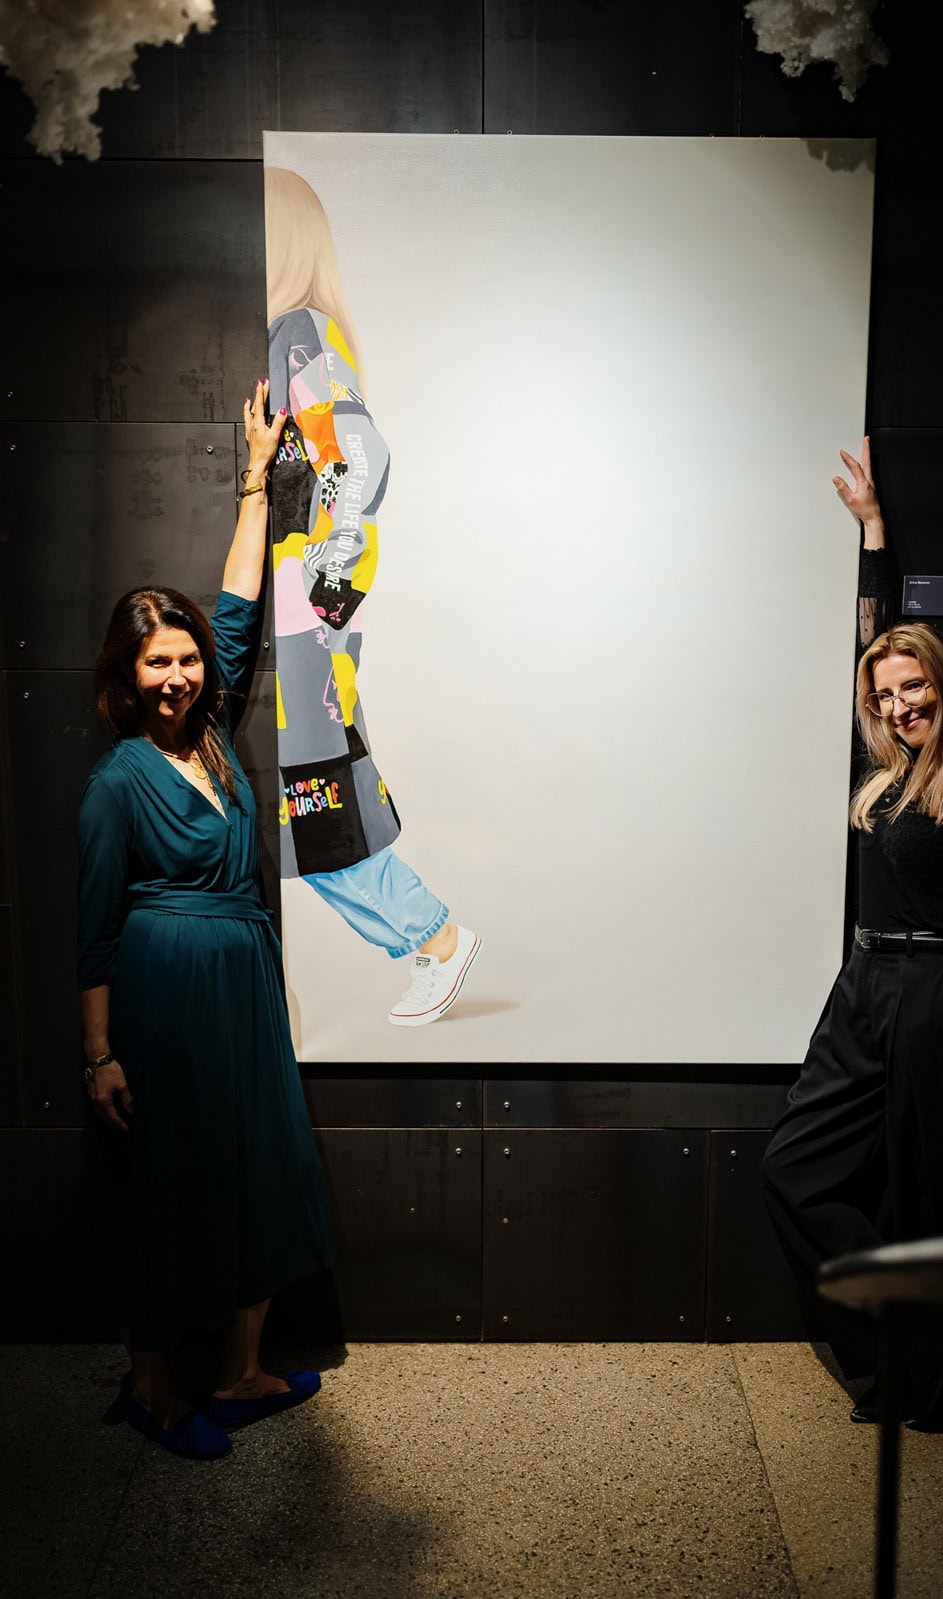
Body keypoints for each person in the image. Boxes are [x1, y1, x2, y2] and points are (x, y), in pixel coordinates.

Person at [762, 437, 943, 1428]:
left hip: (929, 997)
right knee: (794, 1169)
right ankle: (888, 1318)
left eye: (913, 687)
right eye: (883, 695)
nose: (897, 703)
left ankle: (922, 1374)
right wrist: (873, 532)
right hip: (860, 991)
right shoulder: (889, 775)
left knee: (923, 1195)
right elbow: (873, 637)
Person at [78, 381, 335, 1460]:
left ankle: (240, 1372)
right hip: (165, 993)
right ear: (128, 674)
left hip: (241, 982)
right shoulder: (117, 781)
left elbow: (233, 605)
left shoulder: (216, 734)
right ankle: (155, 1389)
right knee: (173, 1184)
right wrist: (100, 1054)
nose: (179, 675)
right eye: (159, 662)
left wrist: (254, 480)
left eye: (186, 660)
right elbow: (94, 929)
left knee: (262, 1165)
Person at [263, 164, 479, 1027]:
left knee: (313, 804)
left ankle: (435, 937)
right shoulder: (291, 334)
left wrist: (323, 589)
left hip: (298, 627)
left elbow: (361, 454)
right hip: (294, 622)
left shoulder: (297, 334)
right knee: (290, 810)